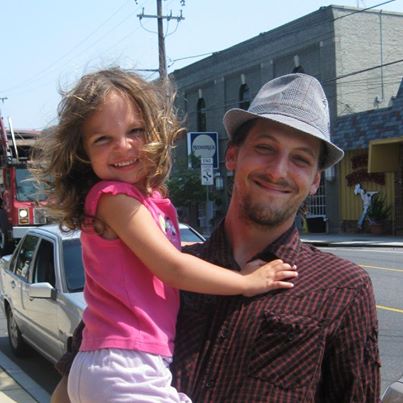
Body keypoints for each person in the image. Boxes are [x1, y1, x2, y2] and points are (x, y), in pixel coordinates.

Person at [52, 73, 381, 402]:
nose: (278, 170)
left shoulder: (344, 289)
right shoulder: (156, 267)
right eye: (265, 148)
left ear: (315, 181)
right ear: (232, 156)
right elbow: (66, 395)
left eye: (300, 159)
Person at [32, 67, 297, 403]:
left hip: (116, 364)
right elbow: (171, 267)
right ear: (83, 152)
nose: (123, 146)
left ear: (156, 132)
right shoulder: (114, 197)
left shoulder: (145, 201)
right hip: (125, 365)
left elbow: (158, 255)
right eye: (103, 139)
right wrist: (247, 281)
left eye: (135, 131)